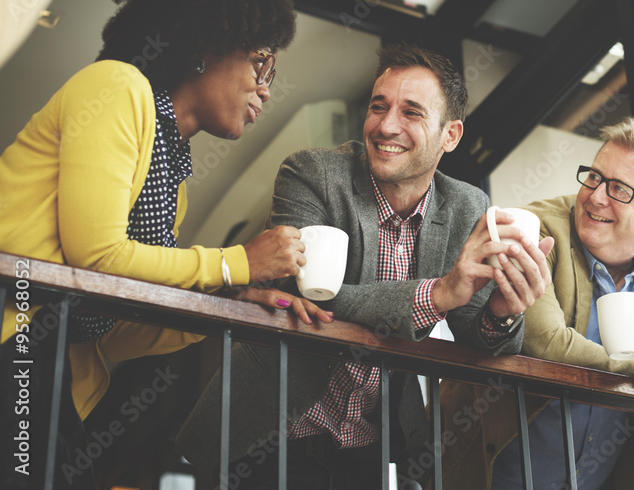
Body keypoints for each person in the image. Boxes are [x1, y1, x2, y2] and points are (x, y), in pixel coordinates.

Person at [175, 42, 555, 489]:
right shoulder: (311, 173)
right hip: (270, 432)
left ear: (450, 135)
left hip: (371, 447)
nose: (387, 125)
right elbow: (308, 296)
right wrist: (438, 294)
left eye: (411, 112)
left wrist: (505, 311)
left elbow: (481, 336)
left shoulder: (468, 205)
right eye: (379, 106)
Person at [0, 0, 309, 488]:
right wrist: (236, 260)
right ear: (207, 45)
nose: (265, 89)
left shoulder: (172, 171)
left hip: (50, 371)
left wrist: (225, 303)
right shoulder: (117, 87)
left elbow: (113, 322)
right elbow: (96, 257)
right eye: (261, 61)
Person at [440, 118, 634, 490]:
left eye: (619, 189)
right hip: (488, 471)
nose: (595, 196)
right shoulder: (538, 226)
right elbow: (544, 344)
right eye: (594, 177)